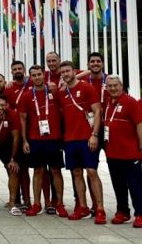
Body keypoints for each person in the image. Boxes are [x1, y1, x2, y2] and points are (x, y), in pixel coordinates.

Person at [18, 65, 66, 217]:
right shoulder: (26, 96)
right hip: (35, 139)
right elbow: (23, 120)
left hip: (54, 138)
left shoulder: (54, 92)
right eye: (34, 75)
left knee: (55, 171)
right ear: (30, 77)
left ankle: (59, 203)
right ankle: (37, 203)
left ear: (43, 76)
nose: (37, 77)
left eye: (39, 74)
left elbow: (63, 112)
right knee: (37, 171)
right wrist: (25, 141)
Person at [57, 61, 101, 221]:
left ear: (73, 71)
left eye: (68, 71)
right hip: (70, 139)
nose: (65, 74)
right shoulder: (62, 92)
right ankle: (82, 207)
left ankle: (100, 208)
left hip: (87, 138)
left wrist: (94, 134)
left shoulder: (86, 87)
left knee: (91, 171)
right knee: (76, 173)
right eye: (63, 72)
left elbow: (97, 111)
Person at [103, 75, 142, 228]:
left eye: (116, 85)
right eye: (110, 86)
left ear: (122, 86)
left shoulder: (130, 102)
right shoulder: (108, 103)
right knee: (118, 185)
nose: (113, 88)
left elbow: (140, 126)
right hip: (113, 153)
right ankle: (122, 211)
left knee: (135, 185)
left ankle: (140, 214)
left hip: (129, 153)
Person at [76, 51, 108, 223]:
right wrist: (86, 73)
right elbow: (63, 80)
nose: (95, 64)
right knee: (90, 169)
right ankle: (92, 205)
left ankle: (120, 207)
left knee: (118, 169)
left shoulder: (110, 80)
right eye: (92, 62)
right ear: (88, 65)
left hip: (109, 130)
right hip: (89, 130)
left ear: (103, 63)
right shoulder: (82, 82)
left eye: (98, 61)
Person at [3, 60, 31, 209]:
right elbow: (4, 105)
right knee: (12, 167)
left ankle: (27, 199)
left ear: (24, 70)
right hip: (13, 132)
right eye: (15, 69)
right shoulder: (9, 88)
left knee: (25, 168)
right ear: (11, 72)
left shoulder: (32, 83)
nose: (17, 71)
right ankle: (15, 198)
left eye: (20, 68)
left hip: (29, 131)